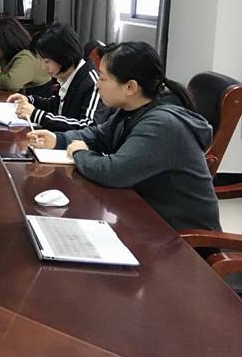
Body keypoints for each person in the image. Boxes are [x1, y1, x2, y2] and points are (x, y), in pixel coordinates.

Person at [28, 42, 221, 232]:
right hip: (144, 219)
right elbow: (98, 135)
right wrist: (58, 140)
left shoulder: (162, 124)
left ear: (130, 87)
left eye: (103, 78)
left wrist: (79, 153)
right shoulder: (132, 110)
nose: (97, 84)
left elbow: (113, 172)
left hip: (182, 238)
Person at [6, 23, 109, 131]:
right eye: (40, 60)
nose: (43, 67)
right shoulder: (68, 75)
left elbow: (87, 126)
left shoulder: (93, 83)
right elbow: (57, 105)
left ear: (64, 56)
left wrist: (36, 114)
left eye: (47, 61)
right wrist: (30, 100)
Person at [0, 17, 52, 93]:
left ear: (5, 43)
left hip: (33, 99)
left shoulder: (26, 57)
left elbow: (11, 83)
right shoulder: (6, 57)